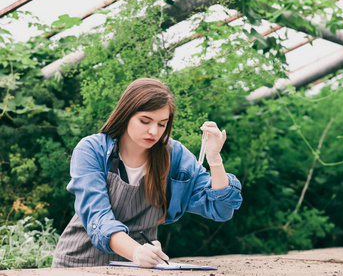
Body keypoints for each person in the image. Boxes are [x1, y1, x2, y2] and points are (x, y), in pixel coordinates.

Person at [52, 78, 242, 268]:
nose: (154, 131)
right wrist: (136, 251)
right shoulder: (92, 150)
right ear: (126, 114)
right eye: (145, 121)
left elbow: (221, 209)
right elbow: (98, 218)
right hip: (79, 264)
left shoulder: (175, 156)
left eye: (162, 124)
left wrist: (215, 159)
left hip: (141, 268)